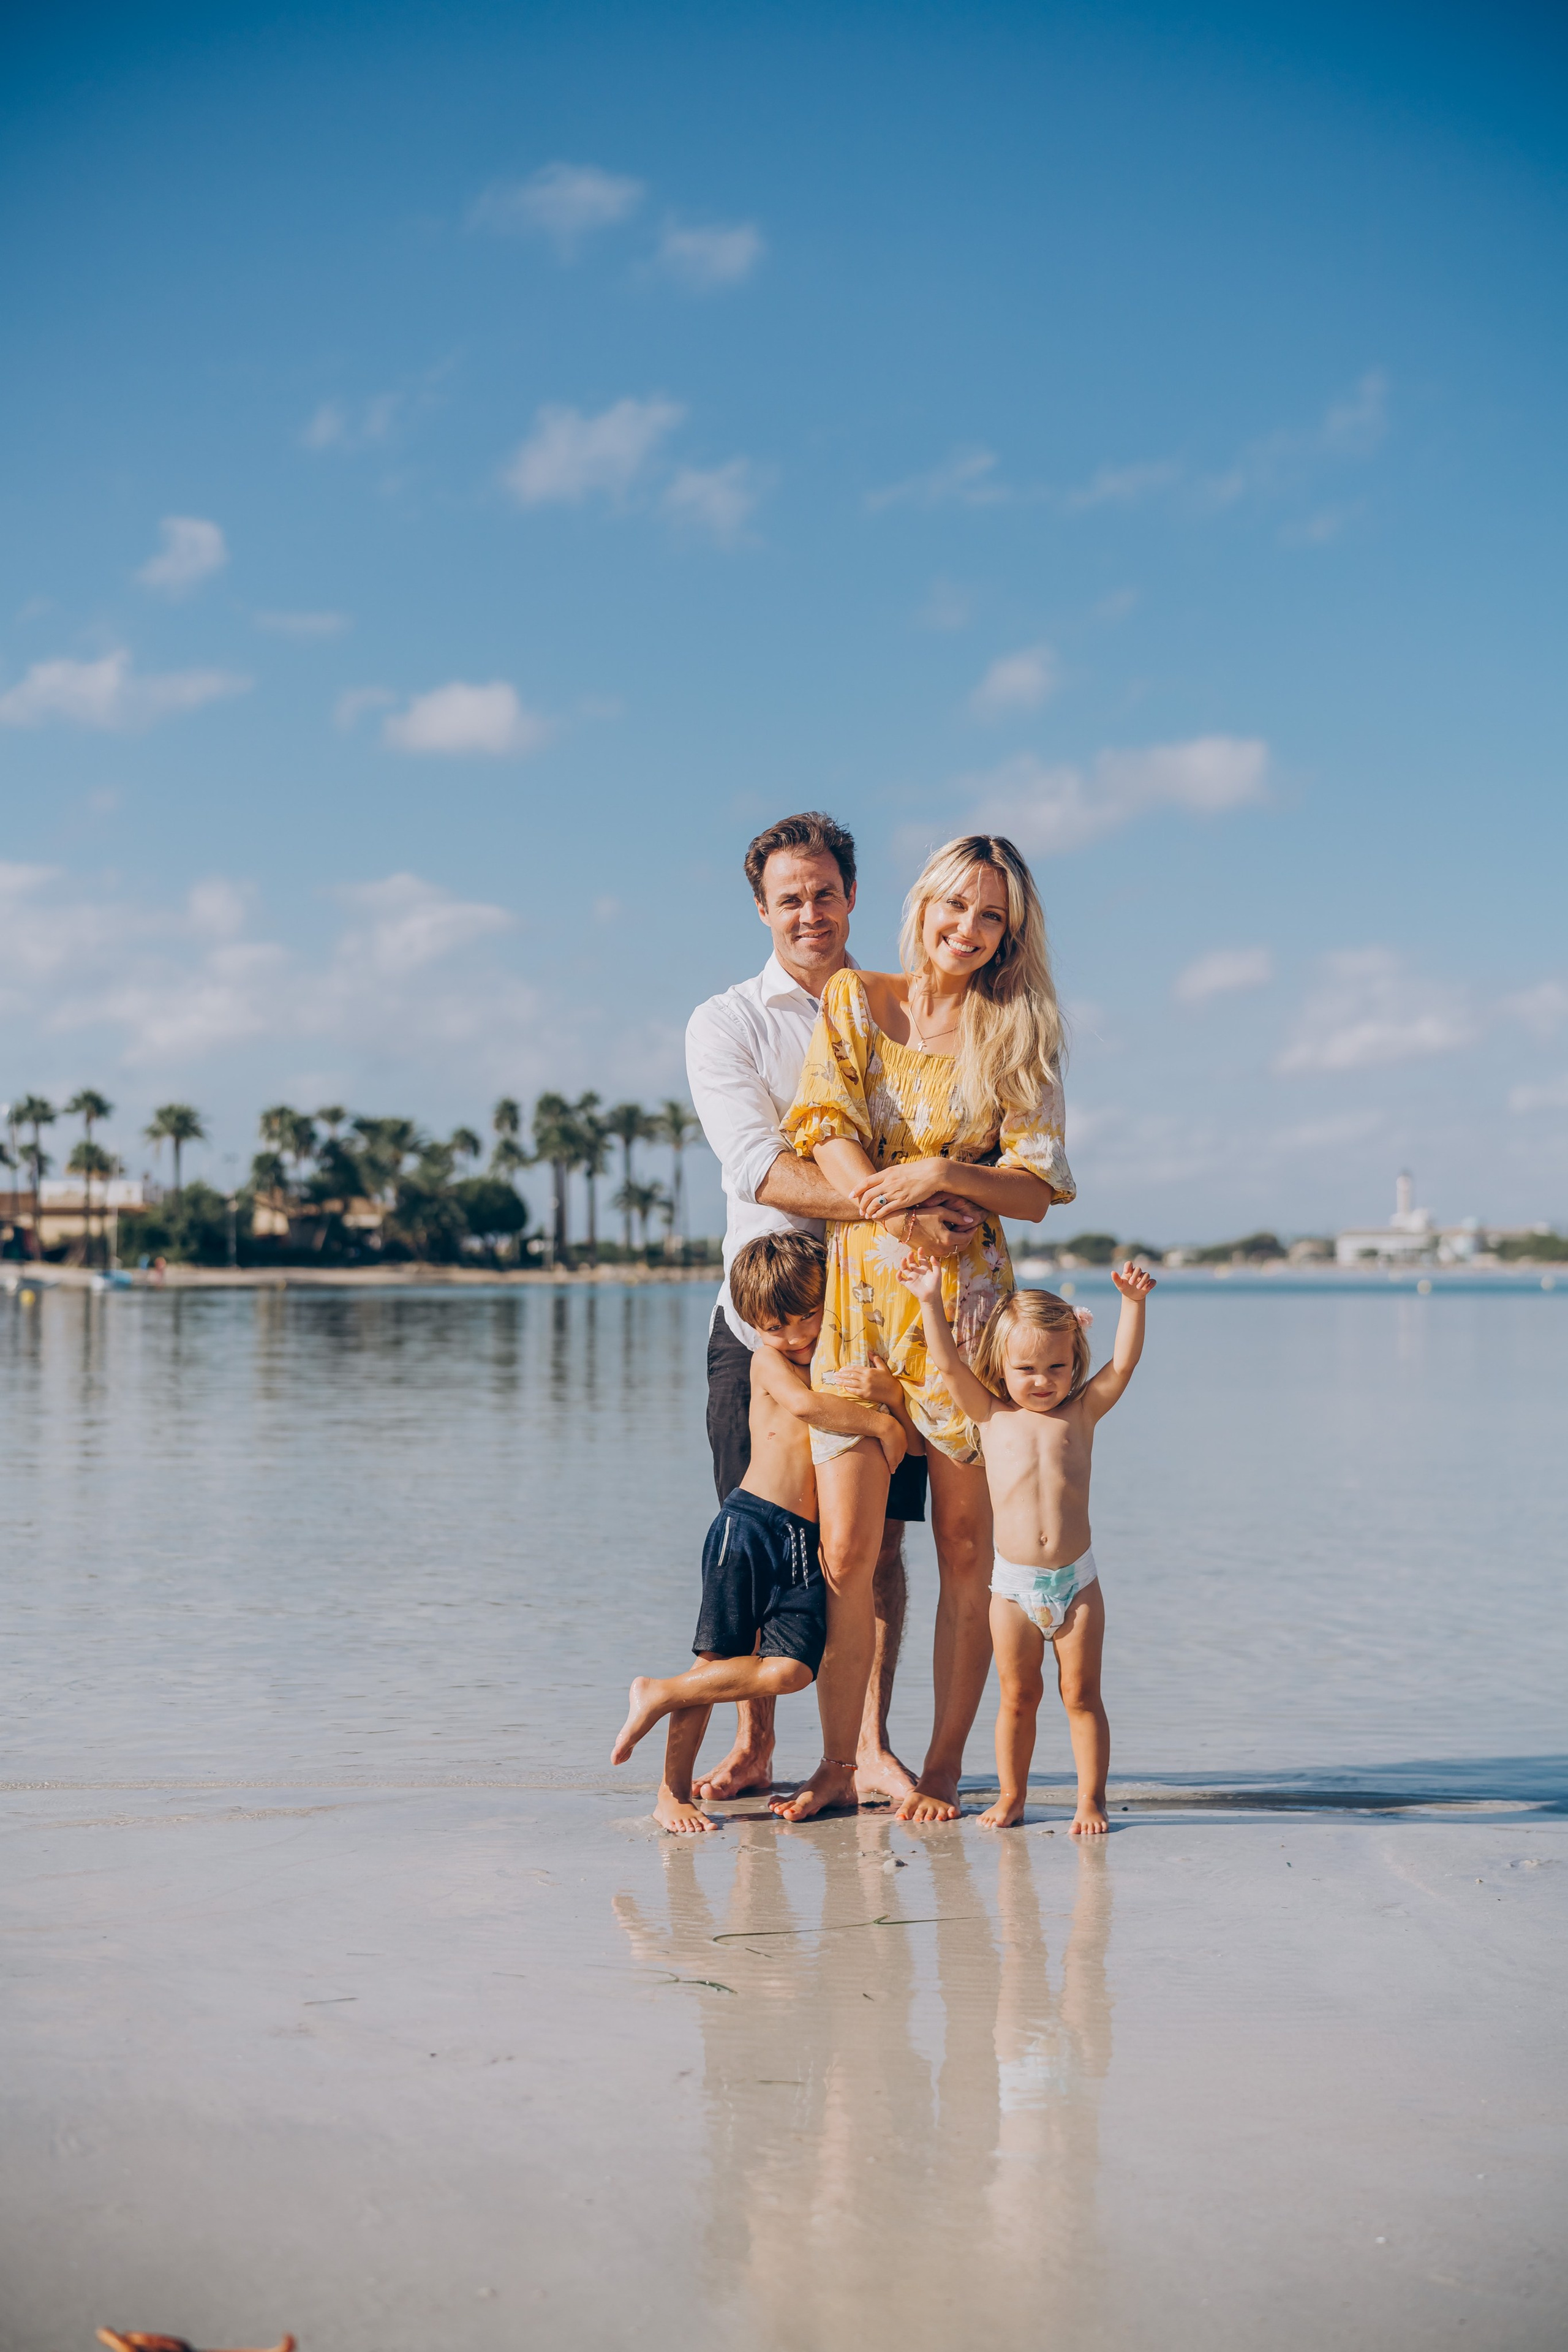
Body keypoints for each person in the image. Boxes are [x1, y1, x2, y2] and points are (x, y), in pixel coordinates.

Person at [771, 833, 1077, 1826]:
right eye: (957, 907)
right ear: (924, 904)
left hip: (969, 1314)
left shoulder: (1019, 1030)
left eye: (993, 917)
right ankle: (840, 1763)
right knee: (848, 1553)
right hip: (861, 1304)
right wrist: (894, 1208)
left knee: (961, 1548)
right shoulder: (857, 998)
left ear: (1011, 932)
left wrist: (946, 1173)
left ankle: (943, 1767)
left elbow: (1035, 1189)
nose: (969, 931)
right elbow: (822, 1123)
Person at [685, 812, 982, 1806]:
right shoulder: (727, 1020)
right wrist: (899, 1198)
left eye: (824, 892)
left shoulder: (908, 1010)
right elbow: (758, 1166)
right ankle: (756, 1740)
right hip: (763, 1316)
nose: (809, 912)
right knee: (763, 1530)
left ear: (852, 895)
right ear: (761, 910)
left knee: (877, 1549)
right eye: (788, 899)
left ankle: (864, 1749)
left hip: (884, 1319)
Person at [611, 1233, 908, 1833]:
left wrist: (892, 1396)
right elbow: (804, 1408)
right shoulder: (766, 1362)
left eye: (807, 1318)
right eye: (777, 1326)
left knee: (793, 1670)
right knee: (718, 1656)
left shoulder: (833, 1353)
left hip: (799, 1541)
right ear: (751, 1327)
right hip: (747, 1527)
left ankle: (660, 1692)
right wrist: (882, 1423)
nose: (797, 1336)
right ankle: (671, 1792)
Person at [900, 1258, 1155, 1834]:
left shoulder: (1083, 1413)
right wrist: (928, 1300)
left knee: (1081, 1695)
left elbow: (1127, 1364)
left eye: (1056, 1367)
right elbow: (943, 1361)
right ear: (1001, 1366)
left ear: (1074, 1363)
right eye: (1027, 1368)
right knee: (1018, 1696)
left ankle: (1091, 1800)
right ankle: (1012, 1796)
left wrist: (1133, 1305)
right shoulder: (989, 1415)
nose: (1042, 1380)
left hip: (1077, 1583)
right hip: (1012, 1588)